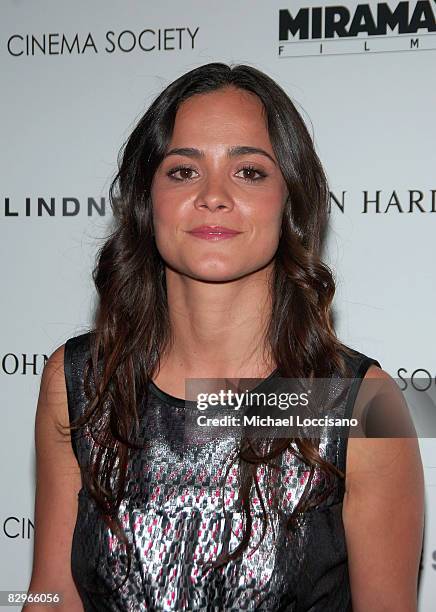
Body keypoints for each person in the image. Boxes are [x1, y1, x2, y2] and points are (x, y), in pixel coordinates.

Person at [25, 63, 424, 611]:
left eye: (250, 172)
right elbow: (50, 596)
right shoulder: (80, 381)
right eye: (183, 171)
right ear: (147, 200)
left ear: (289, 202)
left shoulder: (358, 408)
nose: (213, 195)